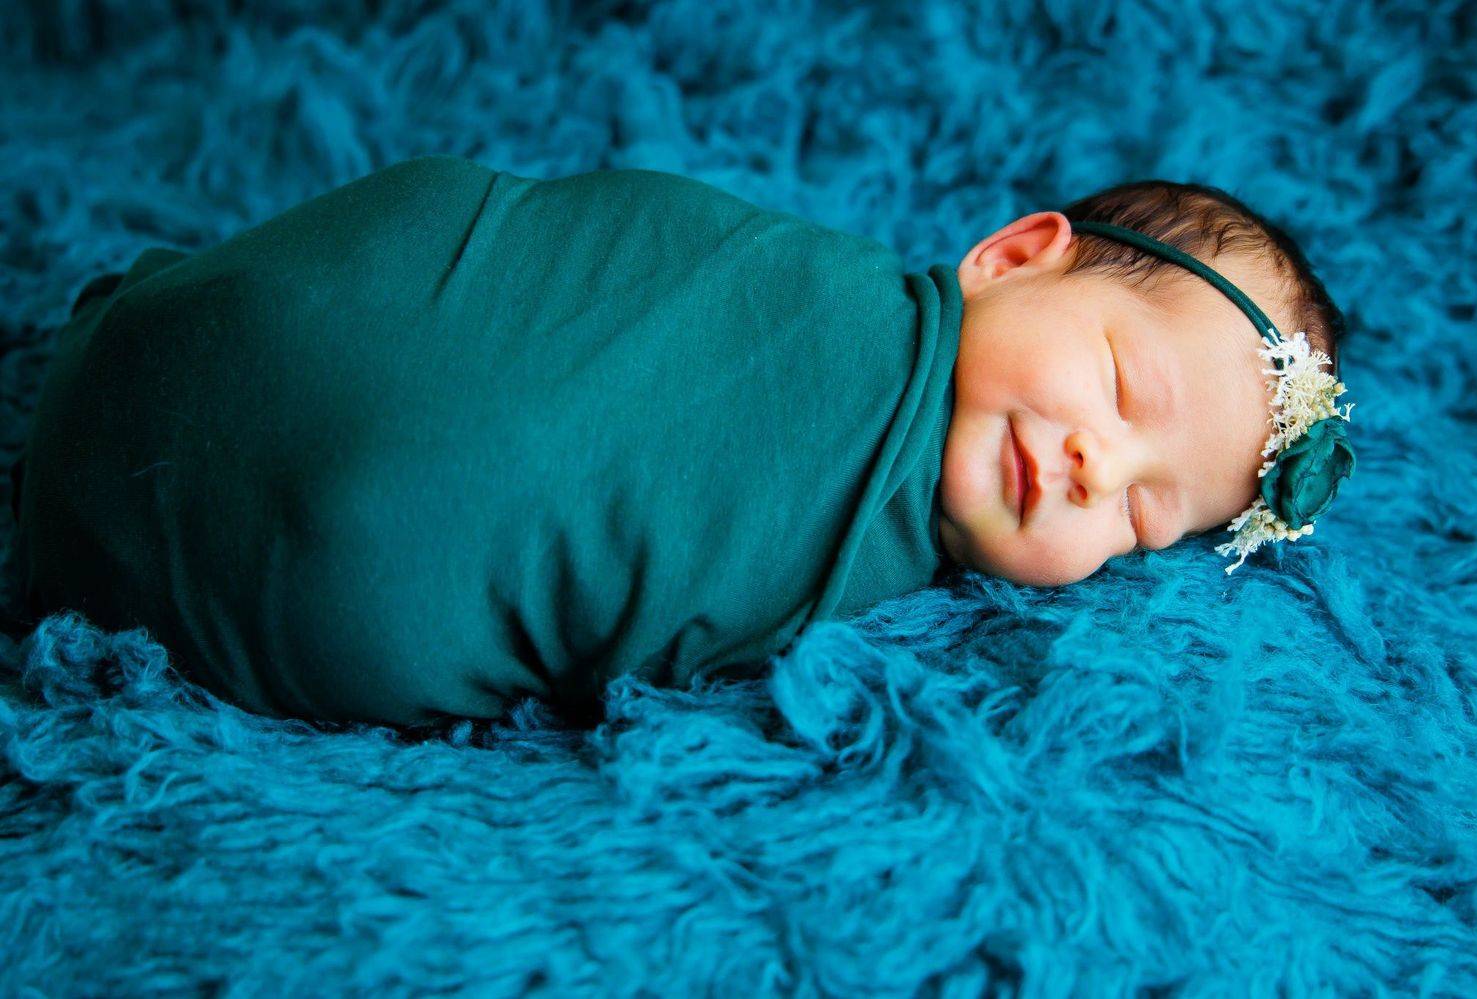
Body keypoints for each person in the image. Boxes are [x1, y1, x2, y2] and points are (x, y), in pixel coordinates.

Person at [4, 155, 1353, 729]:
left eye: (1141, 517)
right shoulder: (802, 292)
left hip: (258, 595)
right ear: (1009, 258)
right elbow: (598, 249)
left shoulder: (873, 616)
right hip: (276, 341)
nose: (1098, 468)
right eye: (1119, 386)